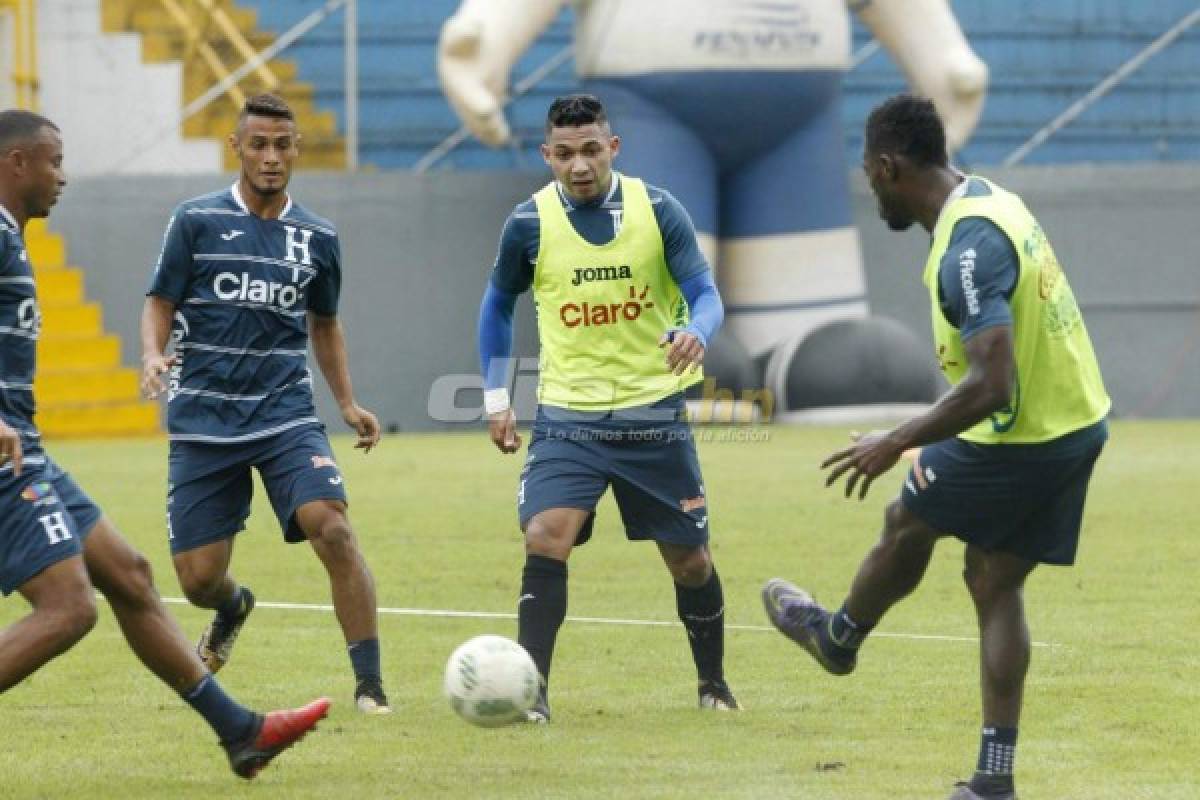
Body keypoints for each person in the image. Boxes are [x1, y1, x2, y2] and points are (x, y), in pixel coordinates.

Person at [762, 94, 1111, 800]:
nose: (869, 186)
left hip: (1021, 434)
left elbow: (990, 384)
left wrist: (895, 439)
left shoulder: (968, 250)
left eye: (868, 173)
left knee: (905, 518)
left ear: (888, 167)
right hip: (1076, 425)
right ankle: (993, 780)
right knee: (993, 580)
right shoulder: (988, 199)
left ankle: (837, 638)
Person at [0, 108, 329, 780]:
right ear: (16, 163)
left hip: (25, 448)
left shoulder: (11, 235)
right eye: (54, 161)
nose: (64, 176)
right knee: (68, 608)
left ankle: (241, 733)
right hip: (5, 455)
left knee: (131, 575)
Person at [477, 94, 734, 722]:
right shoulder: (528, 223)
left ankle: (713, 685)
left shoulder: (658, 210)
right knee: (546, 536)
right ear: (547, 156)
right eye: (564, 154)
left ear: (612, 148)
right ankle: (532, 695)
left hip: (654, 415)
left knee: (691, 561)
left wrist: (698, 330)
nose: (579, 165)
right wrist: (495, 395)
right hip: (570, 417)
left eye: (591, 150)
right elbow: (496, 306)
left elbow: (705, 292)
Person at [139, 94, 389, 715]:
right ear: (238, 148)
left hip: (284, 415)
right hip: (202, 421)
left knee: (331, 528)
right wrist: (151, 353)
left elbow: (324, 324)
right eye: (259, 145)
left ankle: (370, 686)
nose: (271, 157)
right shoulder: (194, 220)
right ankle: (233, 606)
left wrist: (348, 403)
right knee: (197, 580)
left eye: (282, 145)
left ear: (297, 149)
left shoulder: (318, 237)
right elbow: (159, 301)